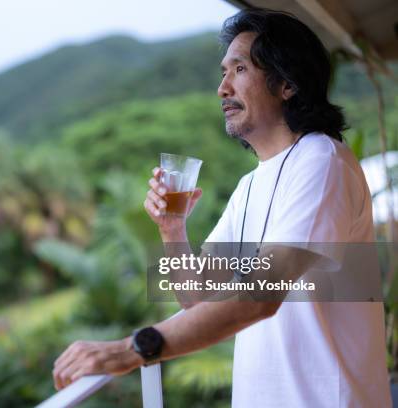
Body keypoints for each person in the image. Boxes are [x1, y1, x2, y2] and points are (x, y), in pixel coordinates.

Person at [52, 8, 392, 407]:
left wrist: (133, 349)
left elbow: (263, 293)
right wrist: (172, 230)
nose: (222, 88)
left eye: (239, 69)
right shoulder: (250, 185)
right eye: (222, 73)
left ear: (286, 83)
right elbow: (197, 297)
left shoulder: (321, 161)